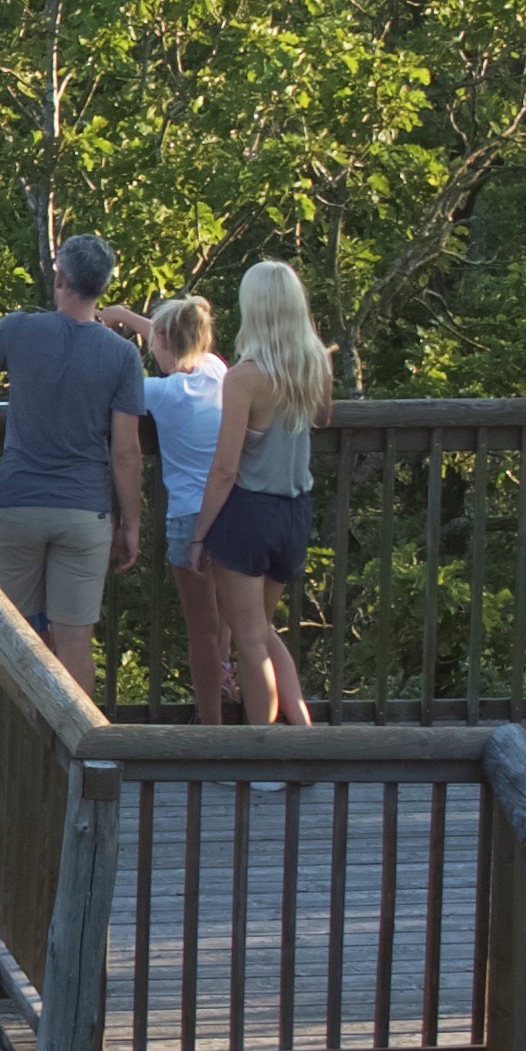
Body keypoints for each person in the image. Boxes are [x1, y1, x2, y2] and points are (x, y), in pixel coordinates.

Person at [0, 232, 149, 687]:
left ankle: (17, 748)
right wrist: (131, 524)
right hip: (84, 511)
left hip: (19, 504)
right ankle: (79, 753)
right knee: (75, 642)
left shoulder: (17, 329)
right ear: (102, 287)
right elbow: (126, 451)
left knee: (14, 638)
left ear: (60, 277)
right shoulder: (122, 356)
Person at [190, 259, 332, 729]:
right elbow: (324, 418)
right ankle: (301, 732)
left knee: (250, 643)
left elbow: (226, 468)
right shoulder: (315, 365)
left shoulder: (246, 376)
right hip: (294, 511)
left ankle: (263, 751)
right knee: (263, 633)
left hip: (249, 513)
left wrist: (198, 537)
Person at [130, 293, 230, 716]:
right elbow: (179, 338)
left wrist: (112, 325)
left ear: (163, 339)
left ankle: (210, 725)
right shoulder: (217, 370)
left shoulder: (160, 392)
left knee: (201, 630)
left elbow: (112, 382)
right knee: (229, 618)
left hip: (189, 516)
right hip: (231, 509)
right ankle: (229, 691)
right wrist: (129, 319)